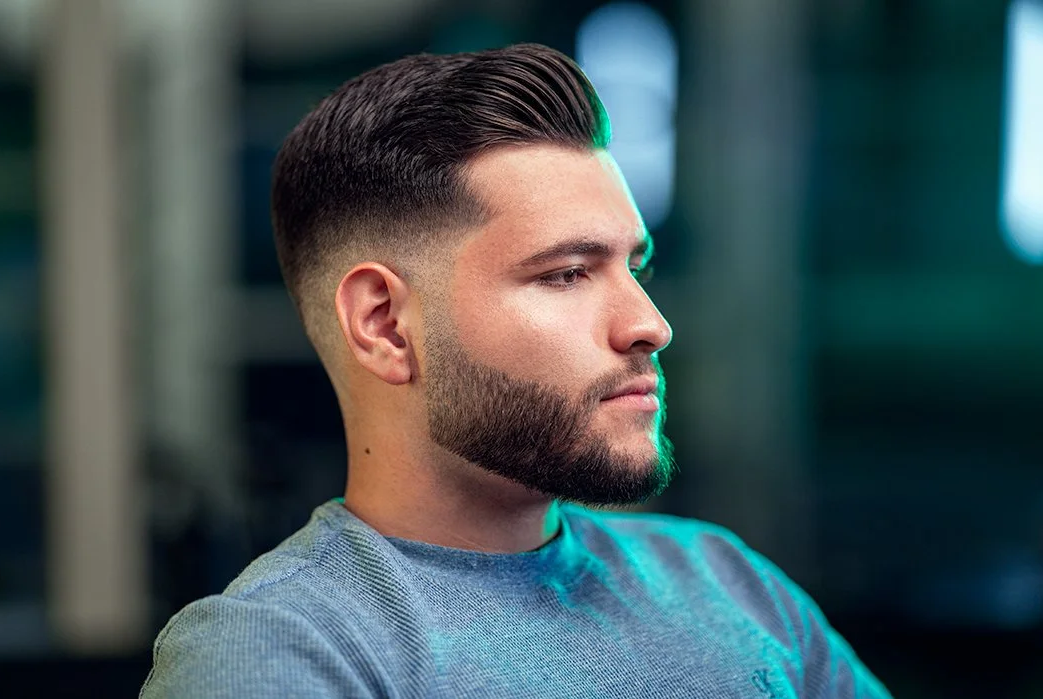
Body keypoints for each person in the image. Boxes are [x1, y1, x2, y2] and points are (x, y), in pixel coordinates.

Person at [141, 43, 892, 698]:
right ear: (385, 325)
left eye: (637, 268)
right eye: (567, 274)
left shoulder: (727, 583)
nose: (649, 325)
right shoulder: (279, 651)